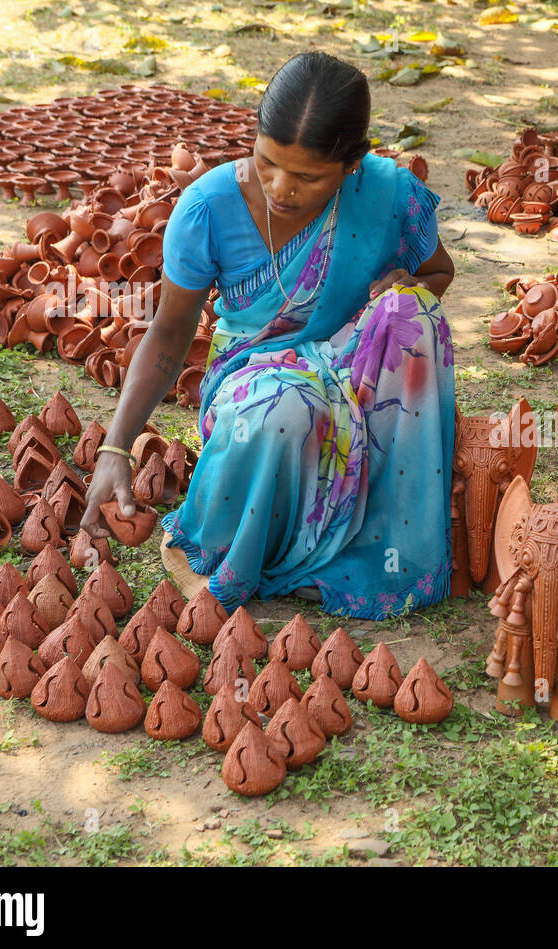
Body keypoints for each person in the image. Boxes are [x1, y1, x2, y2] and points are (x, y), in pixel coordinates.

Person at [81, 51, 457, 620]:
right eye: (267, 163)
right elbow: (169, 332)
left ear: (352, 164)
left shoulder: (386, 197)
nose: (281, 188)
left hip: (356, 365)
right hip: (259, 378)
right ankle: (239, 543)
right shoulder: (209, 208)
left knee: (414, 315)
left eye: (308, 176)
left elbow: (438, 273)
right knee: (287, 409)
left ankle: (374, 545)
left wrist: (408, 285)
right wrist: (115, 446)